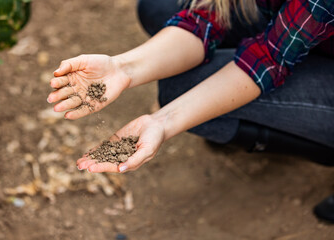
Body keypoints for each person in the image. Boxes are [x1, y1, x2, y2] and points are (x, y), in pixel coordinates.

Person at [47, 0, 334, 222]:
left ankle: (323, 146)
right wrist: (123, 67)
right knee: (159, 8)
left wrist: (164, 121)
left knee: (181, 92)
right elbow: (206, 18)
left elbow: (267, 60)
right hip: (301, 30)